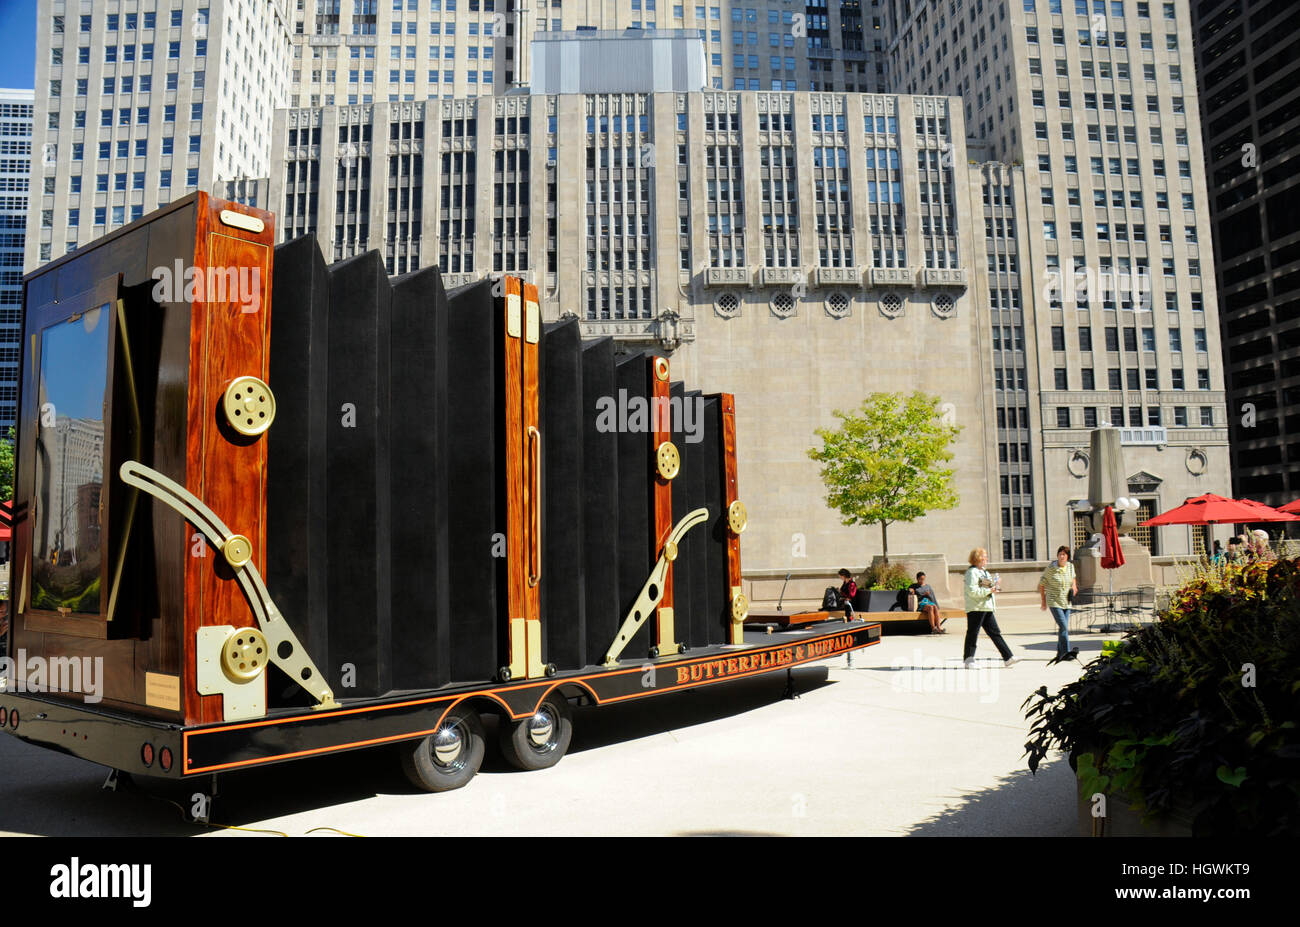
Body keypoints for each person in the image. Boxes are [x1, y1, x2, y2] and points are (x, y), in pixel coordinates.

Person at [963, 548, 1018, 667]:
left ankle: (1008, 657)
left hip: (986, 607)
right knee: (973, 633)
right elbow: (972, 591)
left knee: (995, 633)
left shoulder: (984, 572)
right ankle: (968, 660)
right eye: (984, 556)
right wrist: (989, 590)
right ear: (977, 558)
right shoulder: (972, 572)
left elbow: (988, 588)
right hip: (976, 608)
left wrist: (995, 586)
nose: (986, 559)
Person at [1038, 545, 1079, 661]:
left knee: (1063, 629)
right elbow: (1042, 584)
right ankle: (1066, 653)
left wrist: (1074, 586)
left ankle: (1060, 653)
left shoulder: (1070, 567)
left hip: (1067, 601)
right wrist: (1043, 601)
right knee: (1064, 627)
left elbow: (1073, 578)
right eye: (1060, 554)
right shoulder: (1051, 569)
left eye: (1064, 555)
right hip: (1054, 601)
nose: (1061, 556)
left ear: (1067, 557)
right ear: (1057, 556)